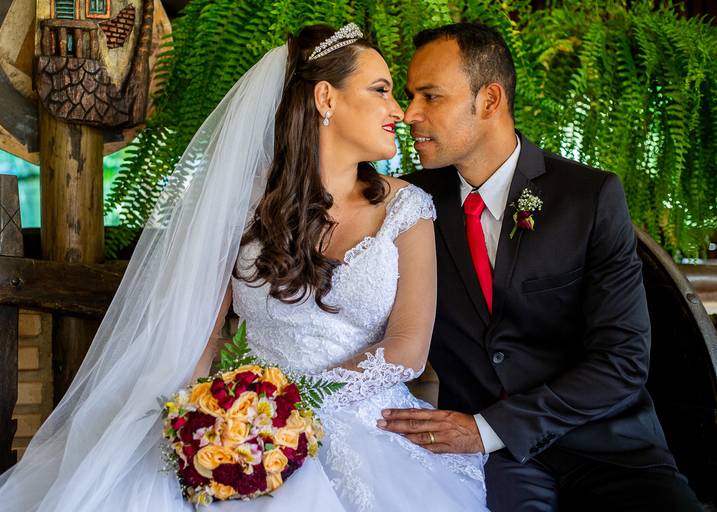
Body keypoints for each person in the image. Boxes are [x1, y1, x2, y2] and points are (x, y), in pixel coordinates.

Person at [0, 24, 487, 511]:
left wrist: (286, 406)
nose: (399, 111)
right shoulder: (239, 203)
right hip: (242, 423)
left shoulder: (407, 208)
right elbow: (200, 336)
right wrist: (199, 418)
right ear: (325, 98)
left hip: (367, 430)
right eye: (381, 90)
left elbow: (407, 350)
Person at [379, 22, 703, 511]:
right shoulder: (408, 205)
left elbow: (623, 360)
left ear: (489, 100)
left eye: (430, 96)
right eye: (409, 96)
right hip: (491, 465)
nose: (409, 114)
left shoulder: (589, 197)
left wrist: (487, 429)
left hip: (611, 449)